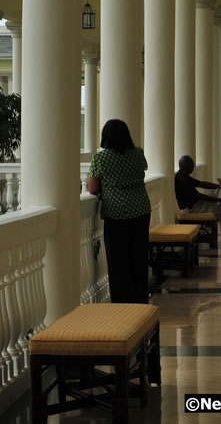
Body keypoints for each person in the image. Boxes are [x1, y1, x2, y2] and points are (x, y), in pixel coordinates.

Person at [87, 119, 151, 304]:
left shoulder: (101, 158)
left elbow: (92, 188)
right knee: (138, 256)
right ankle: (140, 300)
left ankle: (122, 302)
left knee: (118, 261)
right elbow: (142, 172)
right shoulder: (138, 154)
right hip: (140, 209)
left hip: (117, 213)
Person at [174, 155, 221, 249]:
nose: (193, 167)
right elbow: (199, 196)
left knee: (218, 190)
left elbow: (201, 184)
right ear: (187, 167)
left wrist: (220, 186)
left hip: (197, 205)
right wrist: (219, 200)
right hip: (192, 209)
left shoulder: (183, 175)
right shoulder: (182, 180)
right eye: (192, 166)